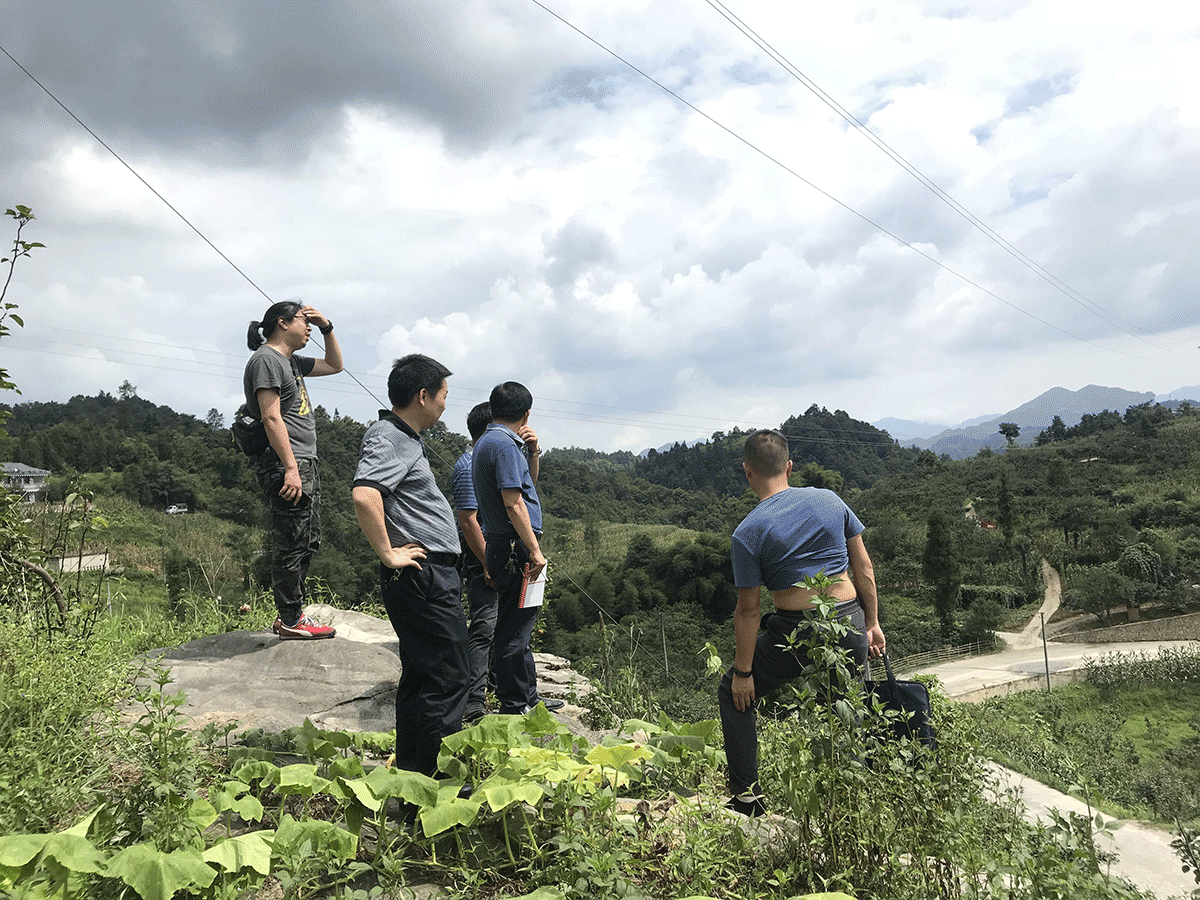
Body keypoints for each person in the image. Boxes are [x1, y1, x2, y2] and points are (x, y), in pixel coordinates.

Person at [718, 429, 886, 816]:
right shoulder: (830, 499)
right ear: (789, 466)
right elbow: (864, 567)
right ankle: (856, 805)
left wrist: (745, 672)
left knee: (733, 692)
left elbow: (748, 611)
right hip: (848, 620)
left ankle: (747, 799)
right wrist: (872, 623)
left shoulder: (747, 532)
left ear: (747, 472)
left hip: (796, 630)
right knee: (849, 708)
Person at [351, 353, 469, 775]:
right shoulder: (389, 435)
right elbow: (366, 494)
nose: (444, 405)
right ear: (423, 395)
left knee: (423, 680)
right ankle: (436, 787)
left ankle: (413, 779)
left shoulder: (404, 437)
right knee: (449, 678)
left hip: (428, 575)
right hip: (423, 576)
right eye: (443, 396)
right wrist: (388, 552)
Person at [244, 300, 343, 640]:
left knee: (307, 539)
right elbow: (271, 417)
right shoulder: (266, 360)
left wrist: (328, 327)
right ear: (282, 323)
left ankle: (293, 613)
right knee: (291, 540)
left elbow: (334, 365)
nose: (309, 328)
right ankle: (290, 619)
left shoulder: (291, 362)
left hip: (303, 461)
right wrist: (290, 468)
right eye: (304, 321)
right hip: (287, 462)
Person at [471, 381, 562, 715]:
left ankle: (529, 698)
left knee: (519, 625)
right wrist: (535, 550)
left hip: (504, 545)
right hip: (515, 549)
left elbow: (526, 487)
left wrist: (533, 451)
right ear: (526, 413)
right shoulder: (504, 446)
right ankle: (515, 704)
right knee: (515, 629)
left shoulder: (489, 442)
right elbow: (514, 503)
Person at [451, 402, 499, 724]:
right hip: (481, 555)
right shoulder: (469, 466)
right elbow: (468, 521)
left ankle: (510, 690)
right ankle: (474, 699)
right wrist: (487, 561)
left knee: (504, 624)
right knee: (483, 625)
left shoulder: (492, 460)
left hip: (500, 552)